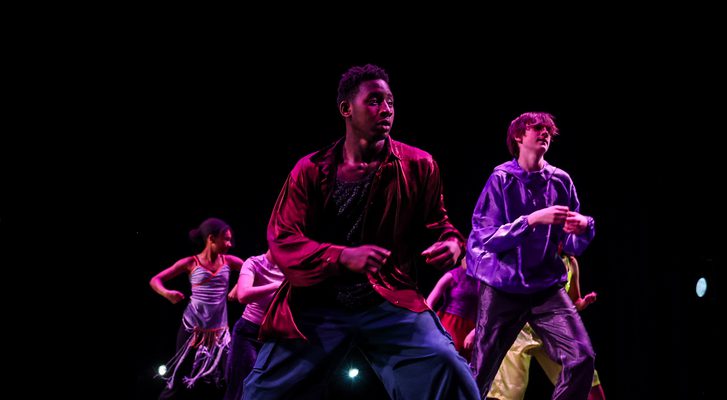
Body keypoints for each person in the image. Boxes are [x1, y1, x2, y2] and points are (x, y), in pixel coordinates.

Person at [242, 64, 480, 399]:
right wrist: (342, 256)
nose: (386, 109)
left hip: (387, 300)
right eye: (374, 101)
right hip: (318, 305)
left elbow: (438, 223)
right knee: (261, 392)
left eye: (391, 102)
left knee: (448, 368)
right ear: (346, 109)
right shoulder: (310, 170)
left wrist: (452, 243)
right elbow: (283, 238)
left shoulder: (420, 165)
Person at [467, 111, 597, 399]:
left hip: (546, 288)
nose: (545, 133)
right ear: (518, 136)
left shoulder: (561, 180)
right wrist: (531, 220)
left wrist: (583, 226)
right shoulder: (501, 179)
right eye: (537, 128)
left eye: (548, 129)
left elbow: (571, 247)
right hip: (503, 287)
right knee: (480, 372)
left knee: (582, 357)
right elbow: (484, 238)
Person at [483, 254, 607, 400]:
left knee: (585, 376)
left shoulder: (571, 262)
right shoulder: (534, 252)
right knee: (508, 394)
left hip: (551, 332)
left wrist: (583, 303)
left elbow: (574, 301)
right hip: (521, 331)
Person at [150, 217, 244, 399]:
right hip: (192, 330)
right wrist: (167, 294)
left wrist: (237, 288)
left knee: (228, 377)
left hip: (219, 333)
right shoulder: (191, 263)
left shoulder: (229, 262)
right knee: (178, 379)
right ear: (211, 239)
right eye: (226, 239)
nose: (230, 244)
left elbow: (252, 270)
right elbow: (155, 280)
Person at [223, 250, 285, 400]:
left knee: (264, 388)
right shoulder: (255, 262)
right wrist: (276, 285)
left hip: (275, 336)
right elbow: (243, 295)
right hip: (249, 332)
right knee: (241, 386)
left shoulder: (290, 267)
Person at [426, 257, 479, 360]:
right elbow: (430, 302)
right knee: (445, 356)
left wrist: (475, 332)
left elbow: (486, 312)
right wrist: (429, 323)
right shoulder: (452, 275)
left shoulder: (482, 281)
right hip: (449, 323)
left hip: (469, 328)